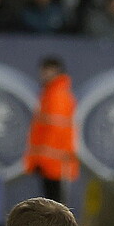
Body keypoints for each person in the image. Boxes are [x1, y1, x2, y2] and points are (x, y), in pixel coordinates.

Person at [24, 57, 78, 204]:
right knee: (51, 207)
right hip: (49, 163)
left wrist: (42, 158)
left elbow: (57, 131)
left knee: (56, 208)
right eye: (43, 71)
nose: (43, 75)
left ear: (56, 71)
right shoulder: (48, 95)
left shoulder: (58, 96)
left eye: (47, 71)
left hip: (57, 165)